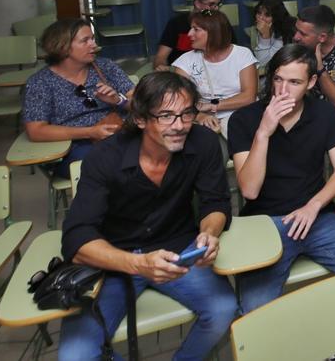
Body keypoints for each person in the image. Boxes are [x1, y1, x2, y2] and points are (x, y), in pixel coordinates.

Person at [59, 72, 237, 361]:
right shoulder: (105, 158)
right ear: (140, 119)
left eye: (186, 114)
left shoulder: (202, 142)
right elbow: (77, 239)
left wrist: (209, 233)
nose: (179, 126)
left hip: (178, 249)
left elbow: (215, 202)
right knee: (75, 355)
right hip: (115, 258)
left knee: (223, 310)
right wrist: (137, 263)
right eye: (165, 116)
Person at [228, 44, 335, 359]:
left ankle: (331, 345)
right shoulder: (244, 120)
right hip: (263, 223)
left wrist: (314, 205)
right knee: (253, 311)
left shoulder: (322, 113)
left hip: (316, 217)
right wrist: (263, 133)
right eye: (278, 80)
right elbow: (249, 190)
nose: (282, 90)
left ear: (310, 84)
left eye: (294, 82)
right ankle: (298, 347)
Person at [23, 19, 135, 177]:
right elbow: (36, 131)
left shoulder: (105, 67)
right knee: (110, 163)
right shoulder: (40, 83)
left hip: (120, 135)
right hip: (75, 147)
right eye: (85, 41)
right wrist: (90, 132)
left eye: (92, 39)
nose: (93, 45)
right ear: (63, 47)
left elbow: (142, 103)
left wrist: (119, 100)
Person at [171, 10, 258, 135]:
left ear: (213, 32)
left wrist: (212, 106)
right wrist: (199, 116)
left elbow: (249, 97)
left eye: (196, 29)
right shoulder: (185, 61)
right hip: (200, 116)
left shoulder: (242, 55)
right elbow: (177, 99)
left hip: (239, 114)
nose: (189, 34)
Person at [292, 4, 335, 110]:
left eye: (302, 34)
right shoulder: (301, 46)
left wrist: (319, 67)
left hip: (331, 114)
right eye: (296, 30)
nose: (296, 37)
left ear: (322, 37)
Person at [153, 0, 223, 70]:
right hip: (181, 72)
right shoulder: (176, 23)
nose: (216, 8)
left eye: (218, 4)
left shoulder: (221, 23)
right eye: (212, 4)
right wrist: (161, 66)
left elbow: (230, 54)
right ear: (198, 4)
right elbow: (161, 56)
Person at [250, 0, 296, 67]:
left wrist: (265, 37)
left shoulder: (286, 31)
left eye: (267, 15)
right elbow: (262, 63)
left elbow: (268, 63)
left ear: (276, 17)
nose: (261, 18)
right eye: (259, 13)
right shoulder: (261, 30)